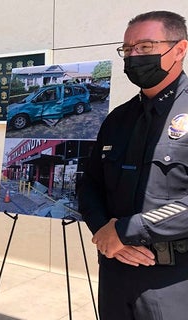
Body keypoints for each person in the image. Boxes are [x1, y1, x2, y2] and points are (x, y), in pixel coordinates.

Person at [78, 10, 188, 319]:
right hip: (115, 272)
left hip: (173, 280)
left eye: (145, 47)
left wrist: (128, 230)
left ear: (179, 49)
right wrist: (103, 230)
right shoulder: (117, 119)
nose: (133, 56)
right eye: (128, 49)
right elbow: (89, 184)